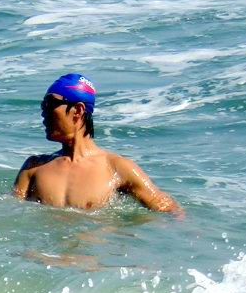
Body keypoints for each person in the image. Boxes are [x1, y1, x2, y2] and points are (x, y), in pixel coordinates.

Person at [13, 73, 182, 215]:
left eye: (50, 104)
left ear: (78, 110)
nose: (43, 112)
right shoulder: (33, 168)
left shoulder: (116, 168)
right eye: (43, 105)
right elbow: (10, 212)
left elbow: (168, 209)